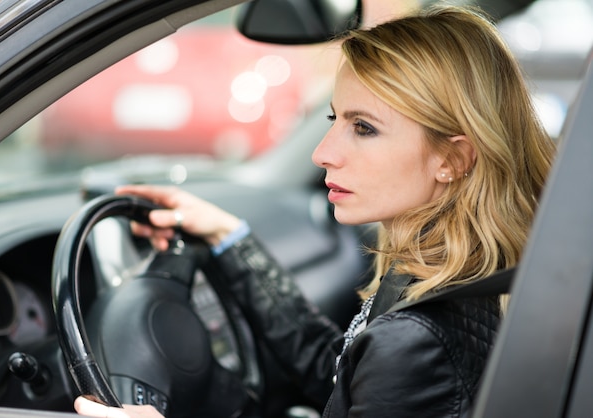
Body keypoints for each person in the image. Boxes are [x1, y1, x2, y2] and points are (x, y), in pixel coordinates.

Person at [75, 4, 556, 418]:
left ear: (451, 160)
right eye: (334, 118)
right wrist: (229, 238)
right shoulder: (460, 278)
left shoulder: (416, 340)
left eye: (363, 128)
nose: (323, 152)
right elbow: (341, 376)